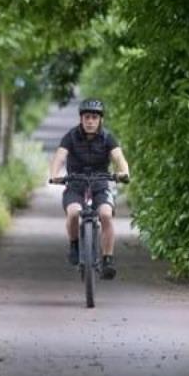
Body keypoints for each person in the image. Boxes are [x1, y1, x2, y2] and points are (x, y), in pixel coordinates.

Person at [48, 98, 130, 280]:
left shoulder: (108, 137)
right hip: (75, 184)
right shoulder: (70, 136)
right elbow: (59, 157)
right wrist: (55, 174)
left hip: (100, 184)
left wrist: (123, 172)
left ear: (100, 119)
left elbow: (119, 158)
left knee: (106, 215)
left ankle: (108, 259)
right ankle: (75, 245)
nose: (90, 121)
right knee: (73, 213)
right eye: (87, 117)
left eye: (94, 117)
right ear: (81, 119)